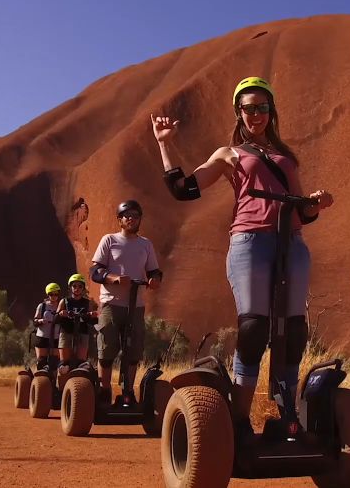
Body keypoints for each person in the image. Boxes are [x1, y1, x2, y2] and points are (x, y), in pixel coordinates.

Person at [151, 76, 334, 435]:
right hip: (250, 241)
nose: (256, 114)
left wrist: (316, 203)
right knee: (254, 329)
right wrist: (165, 146)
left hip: (291, 242)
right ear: (238, 112)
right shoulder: (228, 154)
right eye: (249, 108)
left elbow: (302, 212)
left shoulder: (286, 157)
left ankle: (287, 419)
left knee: (293, 331)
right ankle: (239, 419)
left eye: (262, 107)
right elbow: (183, 189)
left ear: (271, 111)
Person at [89, 200, 163, 405]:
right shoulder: (109, 240)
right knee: (107, 347)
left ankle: (128, 391)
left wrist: (155, 279)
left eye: (135, 216)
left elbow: (154, 271)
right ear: (120, 219)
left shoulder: (145, 244)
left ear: (140, 220)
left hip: (136, 305)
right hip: (111, 304)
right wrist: (113, 278)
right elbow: (94, 272)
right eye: (127, 215)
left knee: (133, 349)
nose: (131, 219)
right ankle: (104, 390)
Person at [55, 274, 98, 385]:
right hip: (66, 332)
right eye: (74, 286)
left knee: (81, 363)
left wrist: (93, 316)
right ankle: (61, 389)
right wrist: (61, 314)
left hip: (82, 333)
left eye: (80, 286)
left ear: (83, 288)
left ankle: (79, 387)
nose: (77, 288)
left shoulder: (87, 303)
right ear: (70, 287)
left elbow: (93, 321)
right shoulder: (64, 301)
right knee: (65, 364)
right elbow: (55, 319)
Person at [33, 283, 62, 371]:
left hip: (56, 337)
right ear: (48, 294)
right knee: (42, 361)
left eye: (56, 294)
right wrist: (40, 321)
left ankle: (53, 383)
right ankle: (40, 382)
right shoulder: (42, 306)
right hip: (43, 337)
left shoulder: (62, 306)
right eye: (51, 294)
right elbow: (35, 321)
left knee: (55, 362)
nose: (54, 296)